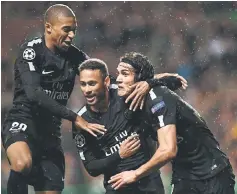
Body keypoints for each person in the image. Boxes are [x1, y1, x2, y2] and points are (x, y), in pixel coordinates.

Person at [1, 4, 107, 194]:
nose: (72, 35)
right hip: (23, 122)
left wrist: (147, 83)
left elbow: (102, 79)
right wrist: (74, 117)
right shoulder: (31, 51)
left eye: (74, 30)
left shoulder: (76, 57)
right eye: (66, 30)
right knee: (21, 162)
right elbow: (34, 94)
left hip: (50, 134)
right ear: (48, 27)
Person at [108, 52, 236, 194]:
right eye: (118, 73)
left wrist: (135, 174)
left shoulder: (158, 98)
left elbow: (168, 150)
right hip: (184, 176)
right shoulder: (127, 99)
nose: (118, 79)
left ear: (139, 78)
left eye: (125, 74)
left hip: (213, 173)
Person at [72, 58, 186, 194]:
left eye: (92, 84)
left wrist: (149, 83)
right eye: (83, 84)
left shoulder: (125, 94)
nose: (87, 90)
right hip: (117, 187)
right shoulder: (82, 121)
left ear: (106, 82)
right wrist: (119, 154)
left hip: (149, 184)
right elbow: (92, 168)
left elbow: (174, 82)